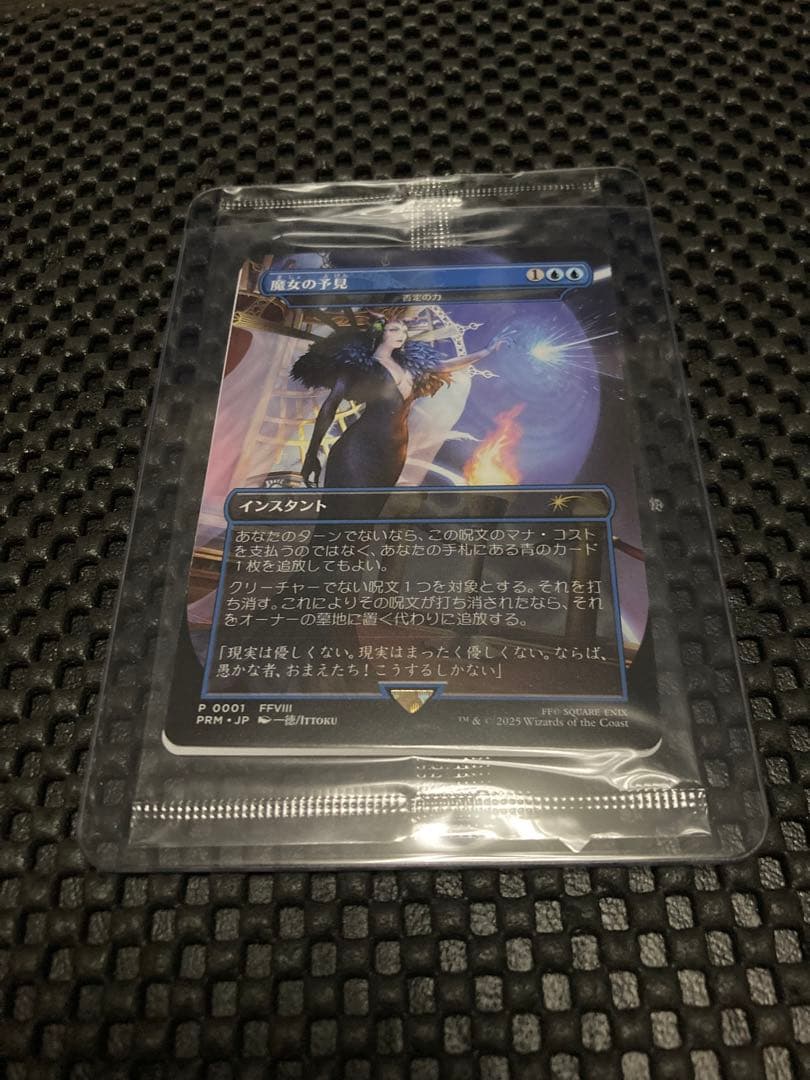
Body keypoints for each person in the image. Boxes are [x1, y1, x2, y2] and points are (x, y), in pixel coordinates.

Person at [292, 318, 505, 496]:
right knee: (341, 515)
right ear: (379, 333)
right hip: (359, 448)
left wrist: (486, 351)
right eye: (394, 329)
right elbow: (329, 408)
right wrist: (311, 454)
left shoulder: (410, 366)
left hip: (393, 455)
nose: (401, 334)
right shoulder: (357, 365)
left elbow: (445, 366)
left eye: (403, 330)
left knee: (367, 521)